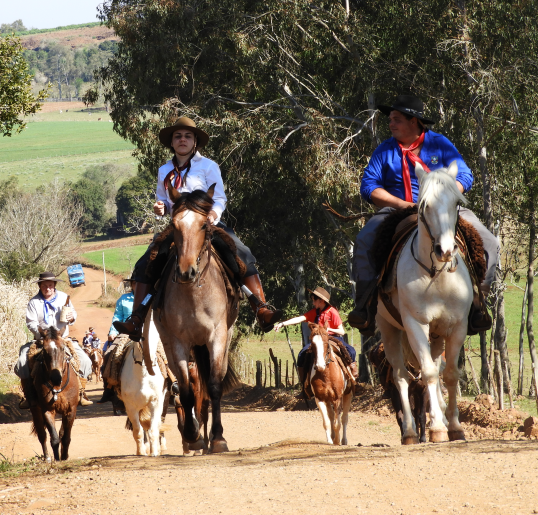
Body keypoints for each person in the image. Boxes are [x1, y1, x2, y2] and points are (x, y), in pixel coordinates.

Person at [113, 116, 278, 341]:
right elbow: (163, 200)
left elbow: (219, 198)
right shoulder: (164, 170)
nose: (182, 139)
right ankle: (136, 318)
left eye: (187, 136)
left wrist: (212, 215)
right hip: (178, 228)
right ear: (172, 142)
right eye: (178, 136)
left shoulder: (209, 166)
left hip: (207, 225)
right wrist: (159, 208)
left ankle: (260, 308)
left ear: (195, 142)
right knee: (146, 262)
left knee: (241, 252)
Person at [348, 95, 500, 334]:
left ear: (414, 121)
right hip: (396, 211)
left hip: (445, 209)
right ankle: (365, 305)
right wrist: (403, 205)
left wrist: (446, 197)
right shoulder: (385, 150)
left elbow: (465, 176)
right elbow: (369, 186)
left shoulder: (439, 144)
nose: (391, 123)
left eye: (397, 119)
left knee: (490, 242)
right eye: (391, 119)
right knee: (364, 241)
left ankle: (478, 304)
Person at [14, 272, 93, 408]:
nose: (47, 288)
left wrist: (71, 317)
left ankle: (81, 393)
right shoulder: (34, 302)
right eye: (44, 286)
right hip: (41, 340)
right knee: (22, 361)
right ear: (40, 286)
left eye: (50, 285)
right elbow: (30, 322)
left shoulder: (64, 297)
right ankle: (28, 395)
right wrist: (41, 333)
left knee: (85, 361)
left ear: (54, 285)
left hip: (63, 339)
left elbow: (73, 313)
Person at [273, 287, 358, 398]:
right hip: (319, 340)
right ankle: (305, 386)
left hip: (333, 338)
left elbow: (341, 331)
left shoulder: (332, 312)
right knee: (302, 354)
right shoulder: (315, 312)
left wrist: (328, 330)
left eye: (314, 300)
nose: (313, 303)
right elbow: (300, 318)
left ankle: (355, 382)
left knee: (351, 351)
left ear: (321, 301)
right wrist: (282, 324)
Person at [106, 281, 134, 352]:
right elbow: (117, 316)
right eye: (134, 283)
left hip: (146, 332)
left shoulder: (149, 297)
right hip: (126, 333)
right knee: (108, 354)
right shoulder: (123, 299)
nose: (137, 285)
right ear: (131, 284)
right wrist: (113, 332)